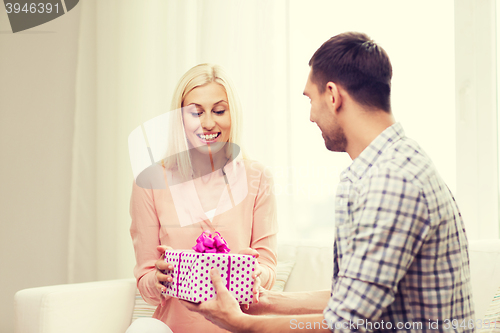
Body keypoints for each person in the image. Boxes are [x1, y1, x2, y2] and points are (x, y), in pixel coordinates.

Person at [181, 32, 475, 332]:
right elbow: (352, 298)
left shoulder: (391, 182)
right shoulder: (394, 162)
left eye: (311, 99)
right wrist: (264, 300)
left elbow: (346, 323)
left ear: (333, 96)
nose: (310, 116)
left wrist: (242, 323)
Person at [127, 63, 278, 332]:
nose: (208, 123)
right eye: (195, 113)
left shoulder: (258, 177)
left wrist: (257, 274)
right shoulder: (150, 181)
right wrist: (158, 278)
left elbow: (267, 268)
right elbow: (146, 282)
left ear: (233, 114)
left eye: (219, 111)